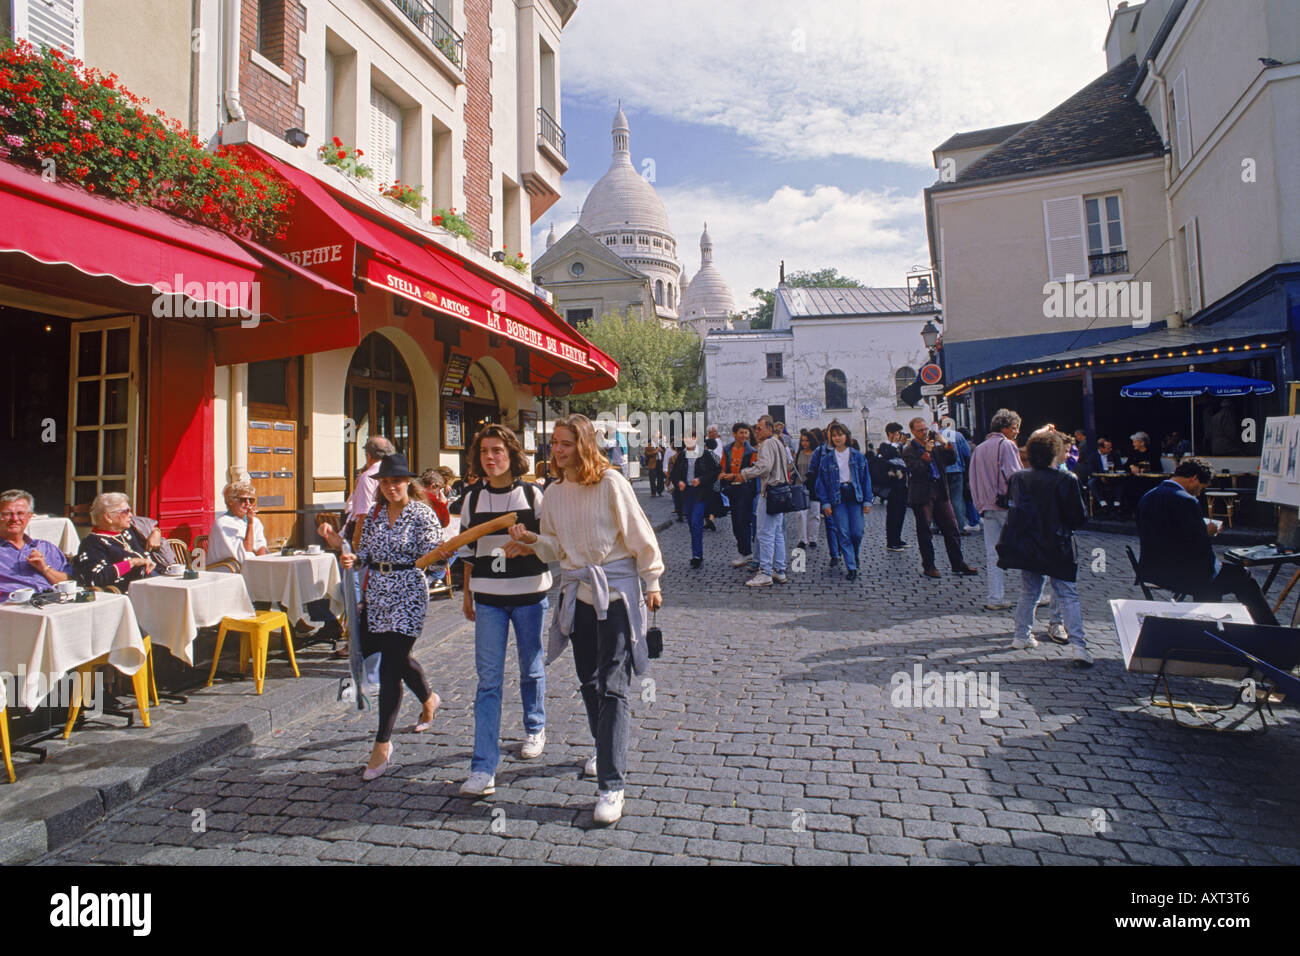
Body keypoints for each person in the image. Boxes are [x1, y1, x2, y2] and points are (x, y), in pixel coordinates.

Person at [505, 414, 664, 825]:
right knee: (588, 681)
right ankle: (602, 745)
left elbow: (639, 534)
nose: (558, 451)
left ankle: (612, 785)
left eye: (566, 443)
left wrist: (652, 581)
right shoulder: (554, 493)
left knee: (613, 684)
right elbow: (556, 547)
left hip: (615, 594)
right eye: (554, 443)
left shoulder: (611, 483)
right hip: (578, 595)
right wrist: (531, 541)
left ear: (585, 445)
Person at [425, 425, 554, 797]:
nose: (490, 457)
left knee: (531, 666)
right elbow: (467, 552)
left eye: (497, 450)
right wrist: (467, 596)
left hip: (530, 592)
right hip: (489, 597)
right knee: (488, 680)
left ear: (512, 455)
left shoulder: (533, 494)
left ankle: (534, 726)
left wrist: (529, 546)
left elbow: (551, 547)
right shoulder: (472, 497)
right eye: (484, 452)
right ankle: (483, 767)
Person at [337, 454, 443, 780]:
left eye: (396, 481)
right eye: (384, 482)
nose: (390, 487)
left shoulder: (422, 513)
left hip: (409, 592)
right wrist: (353, 559)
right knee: (396, 658)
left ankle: (382, 743)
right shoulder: (373, 514)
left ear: (407, 483)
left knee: (391, 668)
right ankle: (428, 697)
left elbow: (436, 557)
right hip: (378, 594)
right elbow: (365, 554)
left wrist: (440, 554)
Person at [1137, 457, 1278, 625]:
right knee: (1238, 576)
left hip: (1153, 570)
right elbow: (1200, 547)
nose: (1199, 493)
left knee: (1214, 579)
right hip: (1180, 573)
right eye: (1201, 488)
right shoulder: (1186, 500)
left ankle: (1209, 625)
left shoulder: (1148, 496)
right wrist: (1208, 531)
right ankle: (1269, 627)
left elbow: (1167, 533)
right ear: (1194, 478)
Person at [996, 427, 1093, 666]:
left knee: (1029, 592)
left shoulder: (1018, 477)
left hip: (1028, 543)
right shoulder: (1066, 479)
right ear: (1055, 452)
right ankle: (1079, 646)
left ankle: (1021, 635)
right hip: (1057, 543)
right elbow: (1077, 517)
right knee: (1067, 594)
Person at [902, 417, 978, 580]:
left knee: (951, 527)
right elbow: (916, 470)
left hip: (940, 490)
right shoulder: (909, 450)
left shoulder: (934, 444)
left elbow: (951, 459)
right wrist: (927, 452)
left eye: (925, 429)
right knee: (925, 531)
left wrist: (944, 443)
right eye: (920, 430)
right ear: (913, 432)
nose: (924, 432)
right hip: (922, 494)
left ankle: (958, 563)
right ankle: (929, 565)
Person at [969, 409, 1023, 610]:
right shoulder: (1006, 445)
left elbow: (972, 480)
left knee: (993, 554)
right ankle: (1033, 593)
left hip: (987, 507)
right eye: (1015, 428)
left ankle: (995, 597)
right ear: (1006, 428)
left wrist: (979, 506)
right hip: (1007, 505)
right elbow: (1014, 476)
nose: (1016, 432)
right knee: (1024, 549)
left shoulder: (980, 448)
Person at [814, 422, 872, 582]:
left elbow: (866, 479)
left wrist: (868, 500)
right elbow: (821, 483)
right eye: (834, 435)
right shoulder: (827, 459)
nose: (837, 438)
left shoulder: (857, 456)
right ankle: (851, 566)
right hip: (837, 497)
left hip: (855, 496)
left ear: (846, 436)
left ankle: (855, 554)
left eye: (840, 434)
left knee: (857, 532)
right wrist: (825, 503)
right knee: (843, 532)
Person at [740, 414, 792, 587]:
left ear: (769, 429)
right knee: (776, 533)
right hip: (780, 492)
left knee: (765, 533)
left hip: (770, 493)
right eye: (756, 428)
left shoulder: (767, 444)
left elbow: (764, 467)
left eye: (759, 428)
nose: (756, 430)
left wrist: (744, 474)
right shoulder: (779, 443)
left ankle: (765, 572)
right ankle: (779, 569)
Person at [74, 493, 163, 589]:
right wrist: (131, 563)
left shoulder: (128, 531)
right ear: (108, 517)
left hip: (154, 582)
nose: (131, 515)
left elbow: (149, 525)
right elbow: (95, 578)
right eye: (126, 511)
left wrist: (156, 532)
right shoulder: (92, 543)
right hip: (131, 594)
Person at [0, 489, 72, 598]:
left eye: (20, 513)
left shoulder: (46, 547)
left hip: (53, 603)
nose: (14, 519)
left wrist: (44, 568)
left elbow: (68, 582)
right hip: (11, 609)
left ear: (29, 516)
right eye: (7, 514)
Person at [668, 431, 720, 569]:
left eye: (690, 437)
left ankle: (697, 555)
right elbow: (674, 474)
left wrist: (701, 480)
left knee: (696, 520)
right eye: (684, 438)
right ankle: (697, 552)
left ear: (695, 439)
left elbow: (715, 471)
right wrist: (679, 481)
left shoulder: (705, 454)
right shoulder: (682, 456)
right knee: (691, 522)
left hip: (701, 493)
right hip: (687, 493)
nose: (687, 440)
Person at [206, 480, 270, 568]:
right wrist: (250, 524)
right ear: (230, 501)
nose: (248, 504)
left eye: (251, 500)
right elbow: (246, 550)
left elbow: (261, 546)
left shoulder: (256, 521)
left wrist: (265, 563)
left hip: (251, 565)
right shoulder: (222, 523)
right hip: (229, 569)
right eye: (243, 500)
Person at [721, 423, 758, 568]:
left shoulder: (751, 451)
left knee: (743, 520)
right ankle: (743, 551)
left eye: (746, 433)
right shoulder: (727, 449)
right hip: (732, 489)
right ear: (734, 434)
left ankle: (746, 552)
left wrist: (735, 476)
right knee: (735, 521)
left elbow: (752, 471)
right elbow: (723, 467)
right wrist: (723, 476)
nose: (744, 436)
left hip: (746, 489)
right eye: (741, 433)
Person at [938, 417, 976, 534]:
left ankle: (938, 526)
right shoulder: (958, 435)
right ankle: (959, 526)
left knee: (940, 499)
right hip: (956, 471)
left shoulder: (935, 436)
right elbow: (967, 453)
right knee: (956, 499)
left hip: (941, 472)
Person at [877, 423, 910, 553]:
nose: (900, 436)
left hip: (902, 484)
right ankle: (891, 541)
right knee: (893, 513)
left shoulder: (898, 447)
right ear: (891, 433)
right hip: (893, 485)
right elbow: (883, 464)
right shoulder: (885, 447)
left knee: (901, 512)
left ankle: (897, 538)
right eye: (898, 433)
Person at [793, 429, 820, 553]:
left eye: (807, 441)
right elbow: (793, 467)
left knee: (814, 513)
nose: (804, 443)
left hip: (813, 486)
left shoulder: (816, 453)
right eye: (802, 441)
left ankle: (813, 538)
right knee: (800, 514)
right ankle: (802, 539)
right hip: (800, 486)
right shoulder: (799, 454)